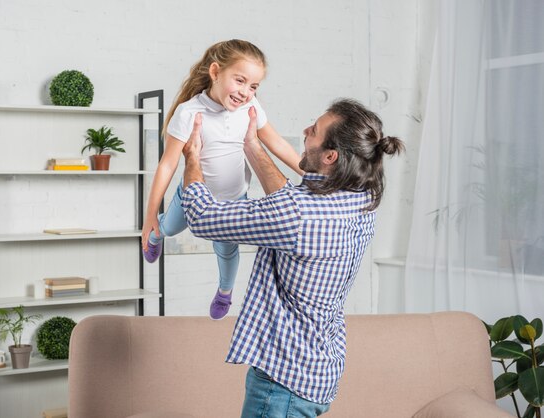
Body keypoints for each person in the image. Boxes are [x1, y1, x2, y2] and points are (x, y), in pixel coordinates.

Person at [180, 99, 404, 416]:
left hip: (282, 386)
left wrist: (192, 158)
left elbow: (202, 216)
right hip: (316, 372)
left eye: (313, 132)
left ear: (330, 156)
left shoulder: (298, 215)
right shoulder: (363, 196)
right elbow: (292, 202)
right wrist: (252, 144)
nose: (304, 131)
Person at [141, 39, 302, 320]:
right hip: (192, 197)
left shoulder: (251, 111)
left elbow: (279, 145)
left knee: (227, 252)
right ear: (215, 72)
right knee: (170, 227)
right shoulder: (189, 112)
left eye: (253, 86)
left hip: (233, 203)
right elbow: (167, 165)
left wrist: (312, 176)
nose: (245, 92)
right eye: (239, 81)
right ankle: (157, 235)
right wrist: (150, 216)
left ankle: (224, 293)